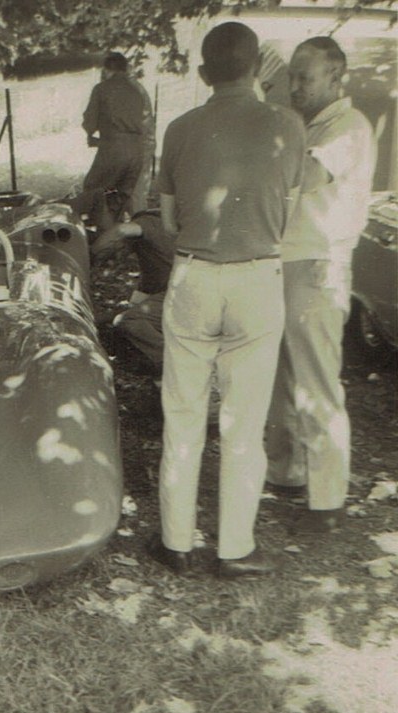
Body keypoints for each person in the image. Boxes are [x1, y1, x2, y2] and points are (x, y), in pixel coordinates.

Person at [150, 21, 305, 578]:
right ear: (256, 69)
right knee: (244, 420)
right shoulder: (288, 125)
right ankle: (235, 547)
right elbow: (286, 208)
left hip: (194, 273)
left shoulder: (179, 129)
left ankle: (176, 541)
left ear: (202, 74)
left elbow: (168, 219)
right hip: (258, 276)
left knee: (184, 412)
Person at [265, 38, 376, 534]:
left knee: (316, 383)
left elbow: (305, 175)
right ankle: (287, 472)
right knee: (282, 376)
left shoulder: (349, 128)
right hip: (287, 260)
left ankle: (327, 500)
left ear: (337, 77)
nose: (294, 87)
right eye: (291, 77)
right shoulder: (306, 122)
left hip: (318, 264)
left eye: (305, 79)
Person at [92, 209, 175, 376]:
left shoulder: (149, 223)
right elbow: (135, 306)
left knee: (129, 321)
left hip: (195, 296)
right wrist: (94, 320)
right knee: (130, 320)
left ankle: (177, 363)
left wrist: (91, 254)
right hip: (195, 297)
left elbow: (120, 230)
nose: (116, 257)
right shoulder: (152, 265)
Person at [82, 52, 155, 223]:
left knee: (93, 191)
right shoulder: (137, 89)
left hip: (114, 151)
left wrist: (93, 134)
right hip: (137, 151)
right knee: (126, 198)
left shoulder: (102, 88)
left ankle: (100, 239)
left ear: (107, 70)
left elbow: (89, 123)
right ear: (126, 68)